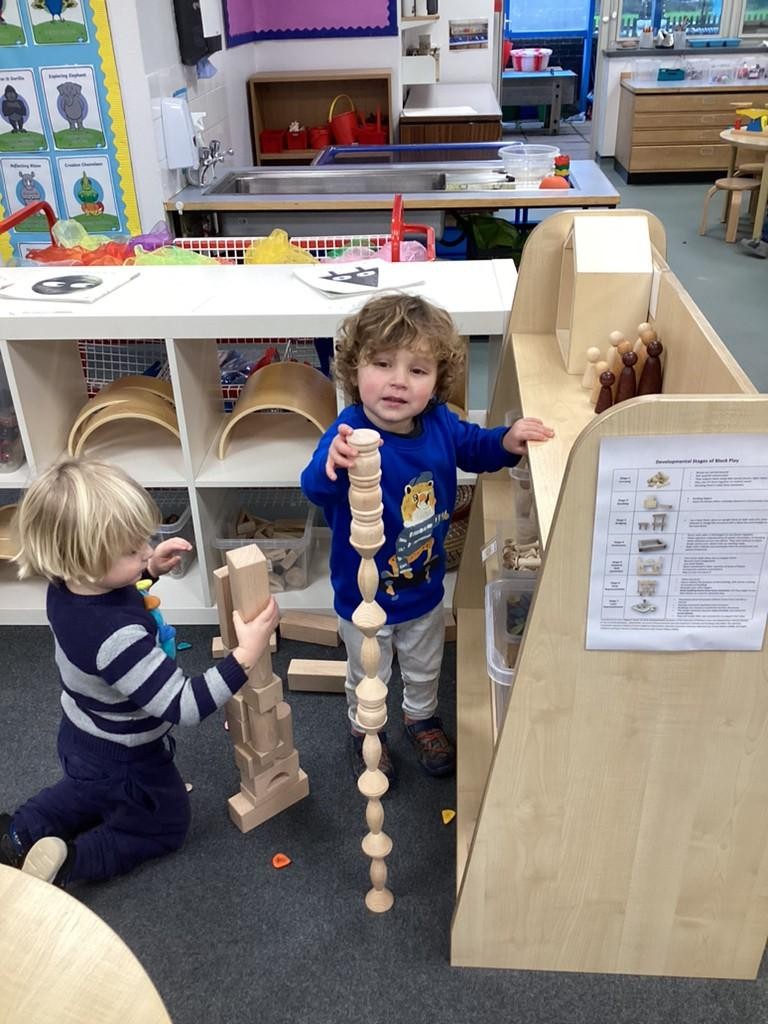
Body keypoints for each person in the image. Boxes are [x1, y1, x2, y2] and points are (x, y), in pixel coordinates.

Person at [300, 293, 554, 784]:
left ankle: (421, 718)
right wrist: (330, 465)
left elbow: (474, 447)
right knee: (367, 675)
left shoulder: (438, 424)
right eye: (382, 363)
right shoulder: (347, 433)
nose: (398, 380)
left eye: (418, 370)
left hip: (423, 589)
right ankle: (362, 730)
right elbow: (312, 486)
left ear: (438, 380)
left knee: (423, 665)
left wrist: (506, 440)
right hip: (363, 596)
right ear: (354, 370)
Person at [0, 458, 278, 886]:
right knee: (163, 823)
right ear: (84, 560)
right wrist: (246, 655)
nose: (147, 549)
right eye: (132, 550)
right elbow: (182, 705)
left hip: (83, 735)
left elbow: (112, 591)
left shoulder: (66, 587)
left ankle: (19, 832)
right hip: (126, 754)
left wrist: (146, 570)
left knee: (84, 789)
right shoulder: (117, 639)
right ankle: (71, 864)